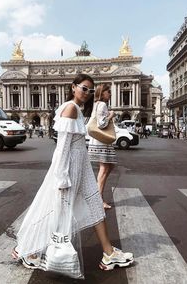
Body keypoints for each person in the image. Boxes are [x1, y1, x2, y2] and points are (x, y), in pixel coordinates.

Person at [11, 74, 134, 277]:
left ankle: (109, 253)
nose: (87, 93)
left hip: (81, 166)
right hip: (69, 169)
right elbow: (62, 149)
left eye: (90, 90)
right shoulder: (70, 108)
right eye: (84, 88)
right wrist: (61, 177)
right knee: (56, 211)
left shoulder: (74, 109)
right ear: (73, 87)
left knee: (95, 205)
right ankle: (29, 250)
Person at [88, 84, 117, 209]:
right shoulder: (102, 105)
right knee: (104, 169)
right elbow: (102, 124)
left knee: (108, 167)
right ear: (102, 93)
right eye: (108, 92)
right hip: (102, 142)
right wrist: (111, 115)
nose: (110, 94)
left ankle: (95, 196)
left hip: (98, 141)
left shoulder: (96, 104)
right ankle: (98, 200)